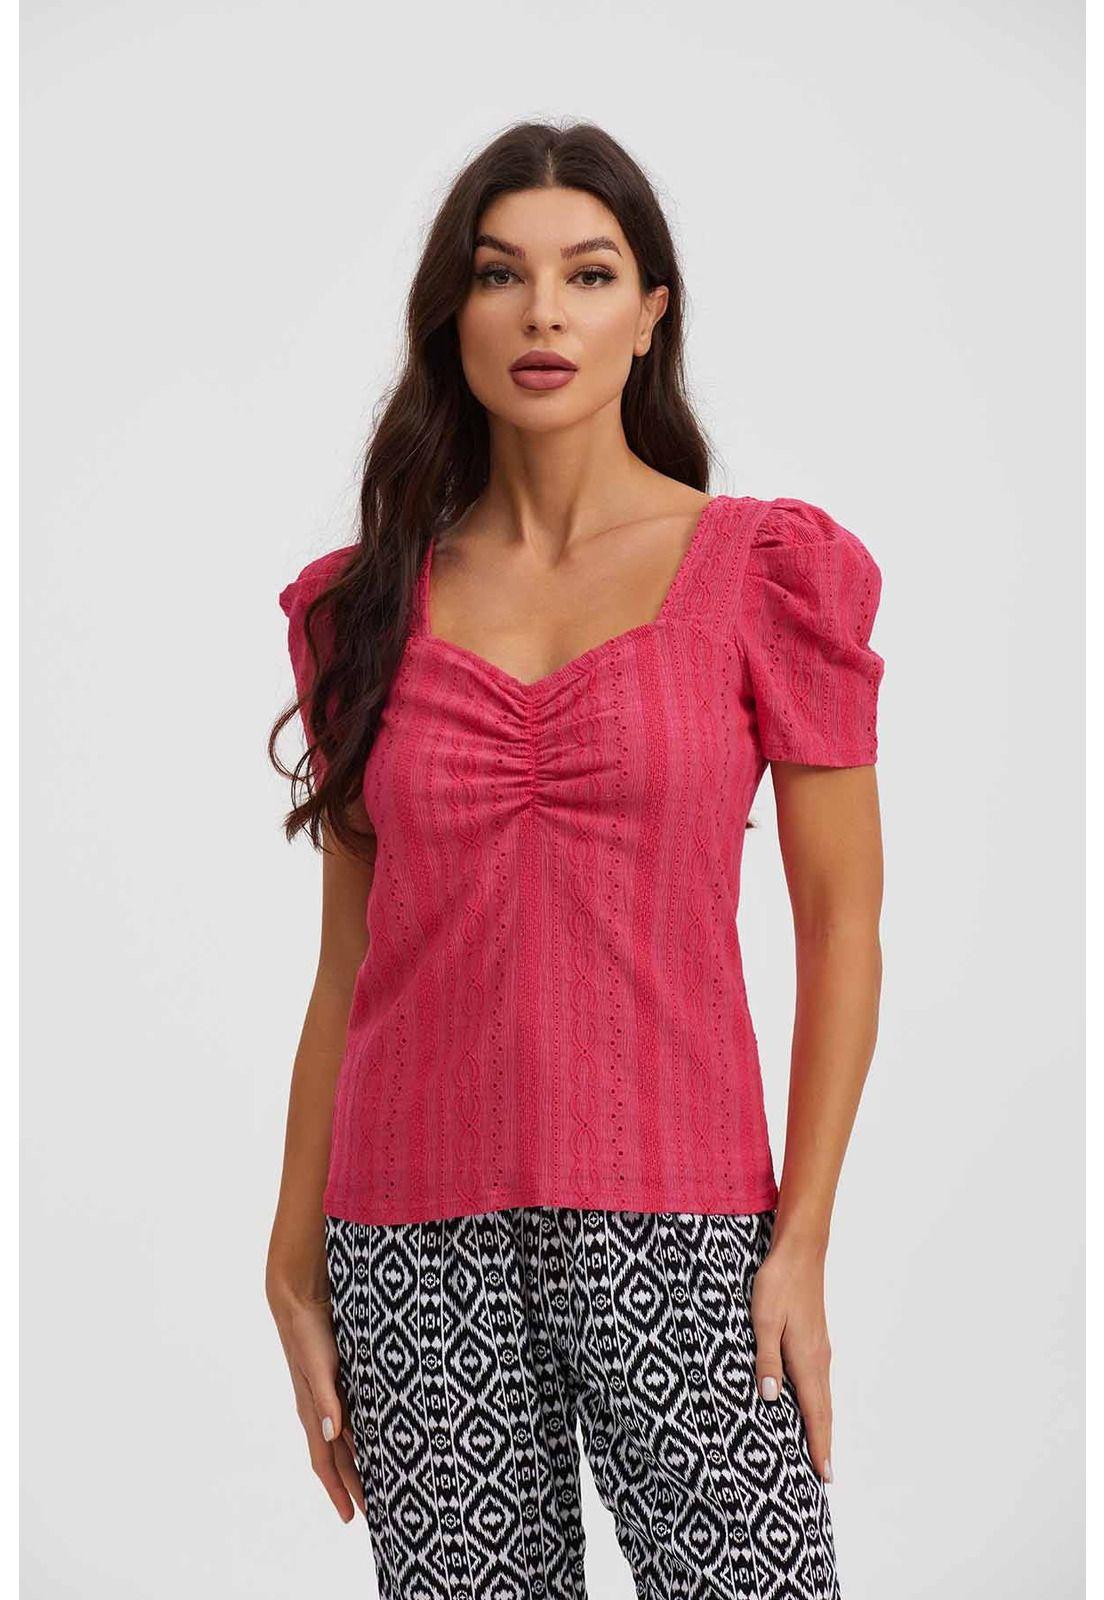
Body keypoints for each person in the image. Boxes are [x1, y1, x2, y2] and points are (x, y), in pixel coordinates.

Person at [266, 119, 885, 1600]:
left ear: (650, 312)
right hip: (410, 1244)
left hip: (683, 1227)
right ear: (454, 312)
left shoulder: (763, 573)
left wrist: (800, 1242)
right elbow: (349, 966)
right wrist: (292, 1257)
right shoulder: (366, 608)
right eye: (502, 275)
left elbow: (842, 927)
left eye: (589, 274)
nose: (544, 312)